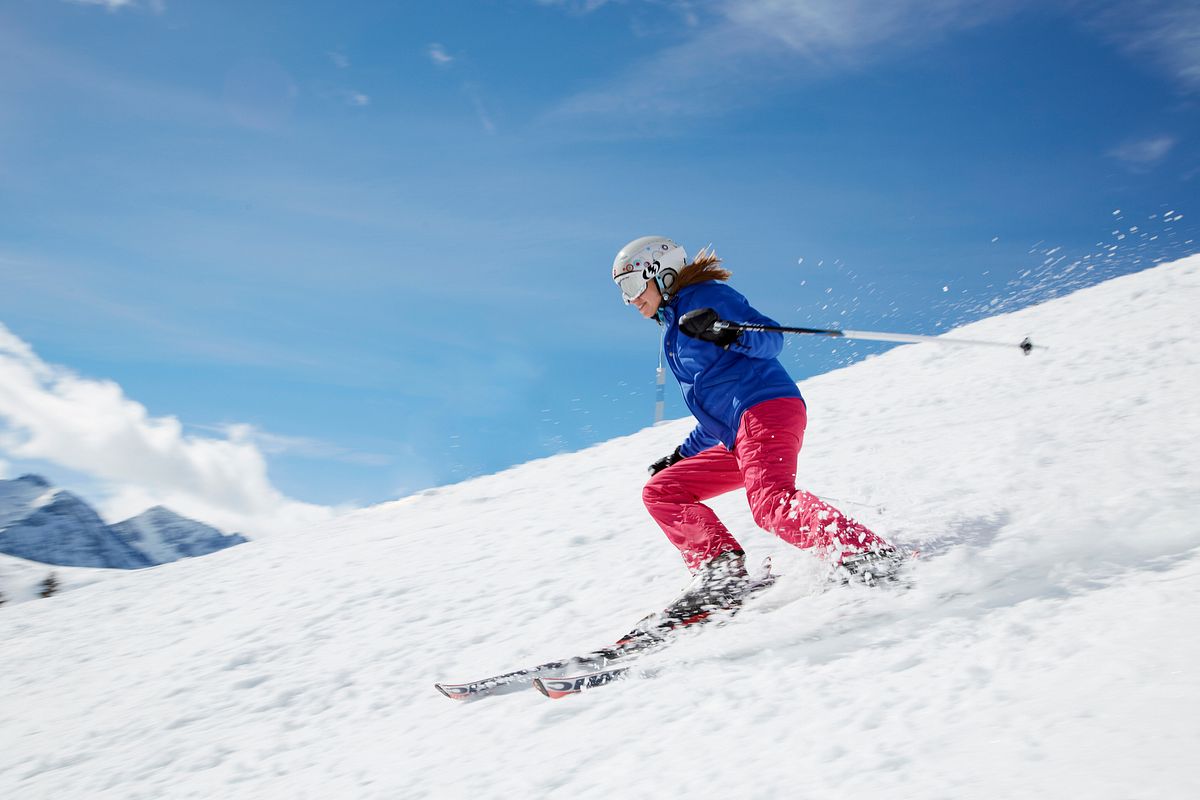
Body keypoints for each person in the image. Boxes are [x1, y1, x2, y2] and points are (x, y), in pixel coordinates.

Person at [611, 235, 899, 631]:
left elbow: (771, 339)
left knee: (770, 504)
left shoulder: (703, 297)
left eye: (630, 287)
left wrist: (730, 332)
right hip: (738, 432)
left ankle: (866, 554)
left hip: (767, 409)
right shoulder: (673, 332)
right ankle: (720, 569)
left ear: (660, 274)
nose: (629, 301)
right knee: (662, 490)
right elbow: (717, 408)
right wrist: (683, 454)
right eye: (621, 293)